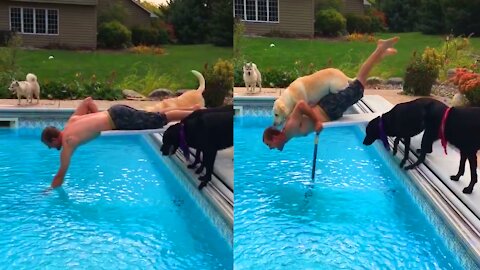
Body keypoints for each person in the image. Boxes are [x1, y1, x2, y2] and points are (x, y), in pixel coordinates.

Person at [263, 37, 399, 151]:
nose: (271, 148)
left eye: (270, 145)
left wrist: (316, 122)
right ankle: (380, 54)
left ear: (275, 138)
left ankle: (379, 48)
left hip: (329, 108)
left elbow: (300, 105)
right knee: (359, 85)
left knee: (359, 85)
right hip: (330, 110)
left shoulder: (290, 128)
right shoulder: (289, 133)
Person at [42, 97, 201, 189]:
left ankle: (196, 113)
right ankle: (191, 108)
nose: (51, 148)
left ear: (54, 139)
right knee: (151, 116)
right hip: (114, 110)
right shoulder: (71, 121)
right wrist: (100, 119)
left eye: (50, 145)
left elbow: (60, 174)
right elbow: (87, 102)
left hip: (118, 119)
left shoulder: (68, 143)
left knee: (161, 119)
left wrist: (49, 191)